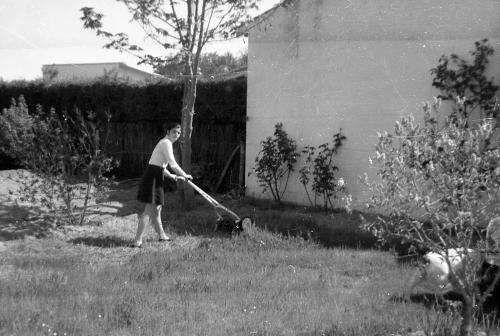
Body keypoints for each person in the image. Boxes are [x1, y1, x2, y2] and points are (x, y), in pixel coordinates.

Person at [132, 122, 192, 248]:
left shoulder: (165, 143)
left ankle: (162, 235)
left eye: (179, 132)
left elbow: (161, 165)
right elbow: (173, 164)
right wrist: (185, 175)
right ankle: (137, 241)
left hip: (156, 175)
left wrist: (171, 176)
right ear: (168, 132)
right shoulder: (166, 143)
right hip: (152, 178)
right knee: (148, 211)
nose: (177, 134)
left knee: (157, 209)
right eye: (174, 132)